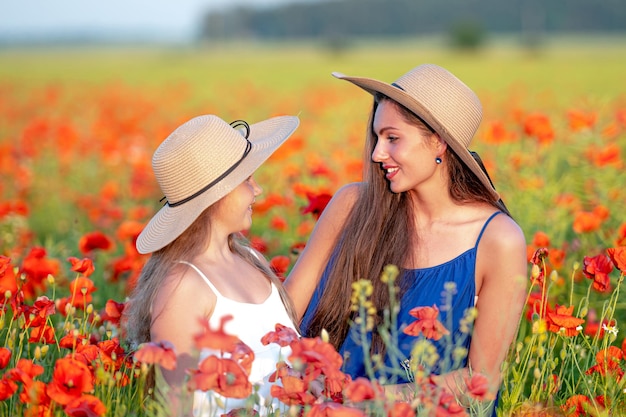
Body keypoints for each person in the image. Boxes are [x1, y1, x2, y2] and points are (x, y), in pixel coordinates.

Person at [285, 64, 527, 413]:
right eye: (377, 137)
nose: (376, 154)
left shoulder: (497, 239)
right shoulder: (351, 206)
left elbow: (481, 381)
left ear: (438, 141)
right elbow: (288, 313)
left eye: (392, 138)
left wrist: (369, 403)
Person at [124, 114, 300, 416]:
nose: (257, 190)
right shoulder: (183, 286)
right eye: (247, 180)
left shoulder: (252, 261)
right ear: (216, 196)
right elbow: (176, 407)